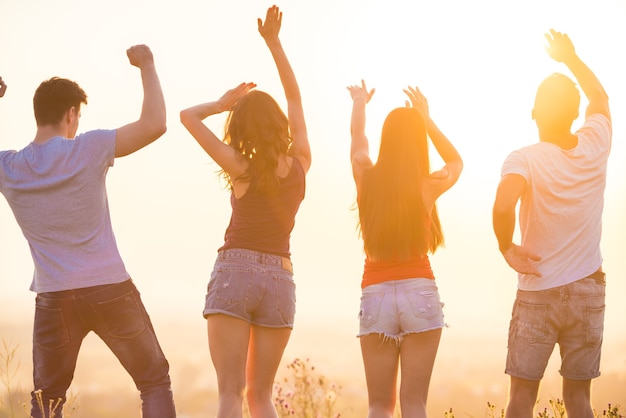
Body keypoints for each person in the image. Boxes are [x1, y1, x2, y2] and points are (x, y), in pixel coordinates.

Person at [0, 45, 176, 418]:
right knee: (153, 380)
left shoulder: (9, 168)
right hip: (110, 287)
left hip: (53, 298)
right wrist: (147, 64)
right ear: (71, 114)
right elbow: (155, 124)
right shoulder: (88, 148)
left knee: (47, 399)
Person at [180, 5, 311, 418]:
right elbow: (294, 97)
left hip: (235, 271)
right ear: (278, 123)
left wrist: (221, 104)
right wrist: (275, 45)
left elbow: (187, 117)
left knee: (229, 395)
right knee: (261, 397)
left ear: (241, 126)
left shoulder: (240, 166)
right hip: (280, 276)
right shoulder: (301, 162)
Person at [492, 29, 611, 418]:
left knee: (522, 399)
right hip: (588, 289)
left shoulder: (523, 159)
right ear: (575, 114)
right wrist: (571, 58)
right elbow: (601, 98)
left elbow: (504, 203)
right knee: (579, 401)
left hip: (538, 290)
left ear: (533, 112)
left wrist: (505, 246)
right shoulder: (595, 144)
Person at [348, 80, 463, 418]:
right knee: (414, 404)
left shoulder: (365, 176)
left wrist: (359, 103)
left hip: (376, 294)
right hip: (419, 292)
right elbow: (455, 162)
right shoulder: (426, 185)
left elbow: (357, 141)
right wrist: (425, 120)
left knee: (379, 406)